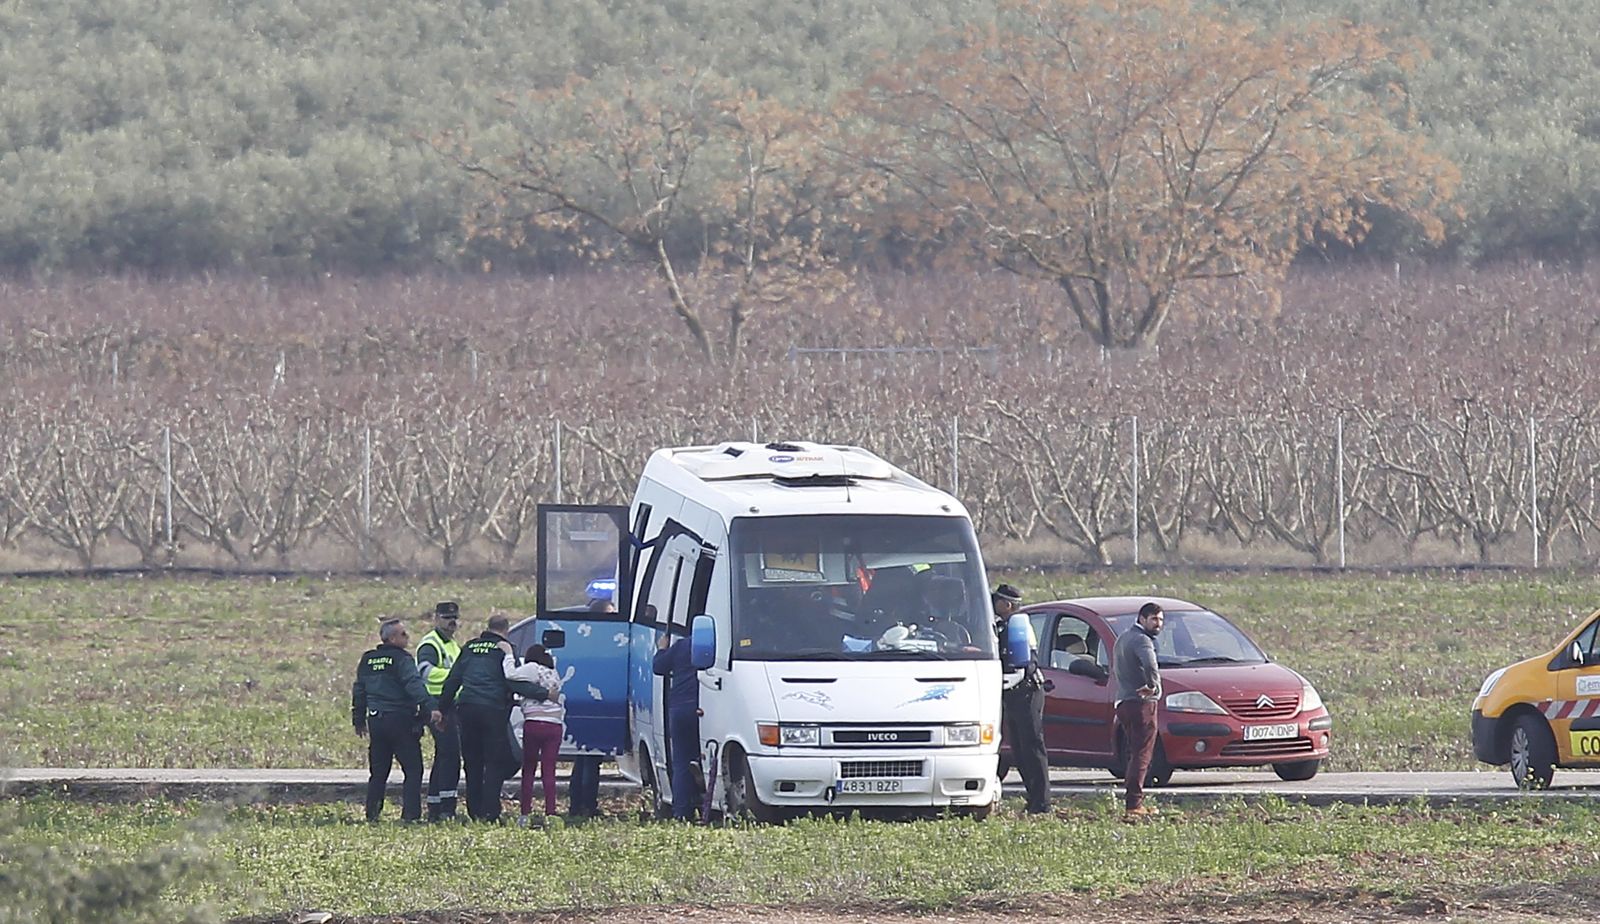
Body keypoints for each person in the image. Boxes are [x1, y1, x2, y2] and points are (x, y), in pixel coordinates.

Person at [439, 613, 548, 823]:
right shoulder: (505, 650)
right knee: (494, 762)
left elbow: (453, 680)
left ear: (487, 628)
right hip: (492, 710)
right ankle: (490, 812)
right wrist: (542, 693)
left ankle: (474, 810)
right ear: (505, 630)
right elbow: (513, 680)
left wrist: (442, 710)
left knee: (472, 761)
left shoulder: (470, 647)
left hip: (467, 709)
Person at [350, 618, 441, 822]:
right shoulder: (402, 659)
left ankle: (372, 814)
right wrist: (430, 707)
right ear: (391, 638)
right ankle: (410, 815)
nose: (407, 637)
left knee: (379, 772)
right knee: (413, 769)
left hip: (376, 722)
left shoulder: (368, 659)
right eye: (403, 634)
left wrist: (358, 719)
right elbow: (413, 684)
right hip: (400, 721)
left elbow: (360, 690)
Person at [993, 583, 1051, 815]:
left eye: (997, 600)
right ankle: (1033, 799)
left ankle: (1042, 803)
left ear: (1007, 605)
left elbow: (1024, 664)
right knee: (1019, 749)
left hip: (1026, 691)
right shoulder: (1005, 625)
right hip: (1015, 691)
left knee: (1032, 747)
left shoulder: (1017, 626)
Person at [1113, 601, 1165, 818]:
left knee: (1134, 753)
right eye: (1154, 619)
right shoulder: (1142, 640)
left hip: (1123, 701)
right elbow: (1150, 665)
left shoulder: (1123, 638)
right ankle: (1134, 804)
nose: (1158, 624)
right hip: (1140, 703)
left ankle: (1133, 801)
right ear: (1142, 619)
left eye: (1161, 620)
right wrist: (1153, 686)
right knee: (1142, 754)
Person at [504, 643, 565, 826]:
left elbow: (510, 675)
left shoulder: (532, 669)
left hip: (534, 723)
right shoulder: (553, 674)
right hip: (554, 726)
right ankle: (551, 813)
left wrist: (508, 656)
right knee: (549, 770)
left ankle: (525, 813)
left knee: (529, 769)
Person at [416, 601, 463, 821]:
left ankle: (435, 805)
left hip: (449, 704)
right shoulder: (430, 644)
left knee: (444, 754)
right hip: (436, 705)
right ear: (436, 618)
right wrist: (455, 677)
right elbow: (424, 672)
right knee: (451, 754)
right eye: (446, 617)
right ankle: (447, 807)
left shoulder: (453, 645)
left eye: (454, 617)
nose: (451, 621)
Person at [652, 630, 701, 821]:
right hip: (705, 706)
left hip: (680, 708)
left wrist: (661, 649)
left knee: (681, 762)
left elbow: (659, 666)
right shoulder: (722, 644)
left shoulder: (682, 645)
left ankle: (681, 812)